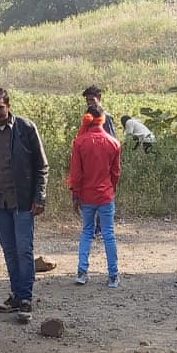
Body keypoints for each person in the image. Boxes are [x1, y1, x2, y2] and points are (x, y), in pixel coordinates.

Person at [0, 88, 49, 323]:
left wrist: (40, 197)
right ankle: (16, 295)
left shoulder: (26, 129)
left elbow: (41, 166)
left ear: (8, 105)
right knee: (9, 251)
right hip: (0, 202)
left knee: (24, 250)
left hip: (24, 202)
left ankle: (25, 298)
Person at [68, 107, 122, 288]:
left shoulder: (80, 142)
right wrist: (110, 190)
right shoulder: (113, 143)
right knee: (109, 234)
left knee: (87, 232)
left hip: (86, 195)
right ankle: (113, 275)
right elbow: (116, 173)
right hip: (105, 195)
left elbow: (76, 173)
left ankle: (82, 272)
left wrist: (75, 195)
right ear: (103, 119)